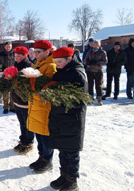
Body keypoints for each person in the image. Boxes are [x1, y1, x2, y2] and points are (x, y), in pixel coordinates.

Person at [49, 47, 87, 191]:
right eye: (55, 62)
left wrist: (57, 96)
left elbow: (79, 99)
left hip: (72, 119)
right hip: (59, 117)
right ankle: (64, 175)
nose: (56, 65)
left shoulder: (77, 74)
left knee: (71, 151)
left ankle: (72, 180)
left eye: (59, 62)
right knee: (62, 149)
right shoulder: (60, 72)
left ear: (69, 59)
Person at [27, 40, 56, 173]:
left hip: (44, 105)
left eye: (38, 52)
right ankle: (41, 157)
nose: (35, 54)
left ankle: (47, 160)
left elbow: (47, 86)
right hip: (36, 104)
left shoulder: (51, 66)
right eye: (35, 52)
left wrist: (32, 81)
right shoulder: (38, 64)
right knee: (38, 133)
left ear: (47, 52)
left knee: (46, 135)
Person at [11, 47, 34, 155]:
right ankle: (23, 141)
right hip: (17, 100)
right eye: (15, 56)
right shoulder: (16, 65)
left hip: (25, 102)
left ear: (25, 56)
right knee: (21, 123)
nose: (16, 58)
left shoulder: (29, 67)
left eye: (19, 56)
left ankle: (29, 143)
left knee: (27, 123)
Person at [85, 40, 107, 105]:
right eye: (94, 45)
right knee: (90, 85)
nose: (95, 46)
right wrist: (87, 62)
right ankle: (90, 99)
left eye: (97, 45)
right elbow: (85, 60)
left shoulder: (102, 52)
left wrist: (97, 62)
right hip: (90, 71)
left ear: (99, 45)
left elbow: (105, 61)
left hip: (98, 71)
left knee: (99, 85)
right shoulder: (89, 52)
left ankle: (99, 100)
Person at [0, 41, 15, 114]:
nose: (8, 47)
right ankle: (5, 107)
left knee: (13, 92)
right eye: (7, 46)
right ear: (4, 47)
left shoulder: (14, 54)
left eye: (9, 46)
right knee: (5, 92)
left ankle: (12, 107)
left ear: (11, 46)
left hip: (13, 76)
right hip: (4, 75)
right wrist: (3, 71)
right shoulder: (0, 54)